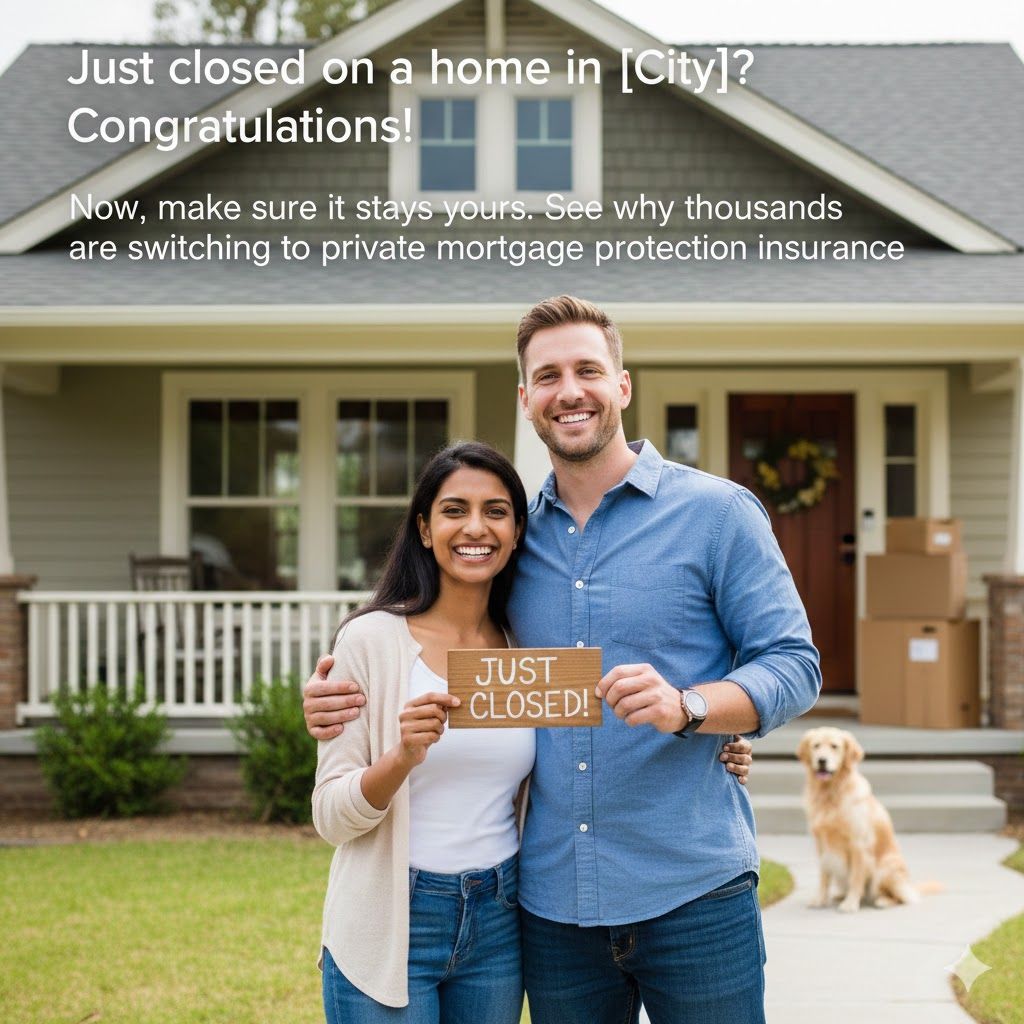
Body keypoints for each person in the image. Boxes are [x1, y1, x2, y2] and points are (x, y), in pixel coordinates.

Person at [306, 296, 819, 1024]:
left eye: (587, 370)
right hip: (553, 915)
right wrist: (336, 698)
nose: (569, 390)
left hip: (694, 891)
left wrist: (695, 708)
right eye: (548, 376)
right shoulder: (511, 541)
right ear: (525, 399)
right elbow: (426, 635)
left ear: (623, 386)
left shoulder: (718, 514)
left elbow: (793, 662)